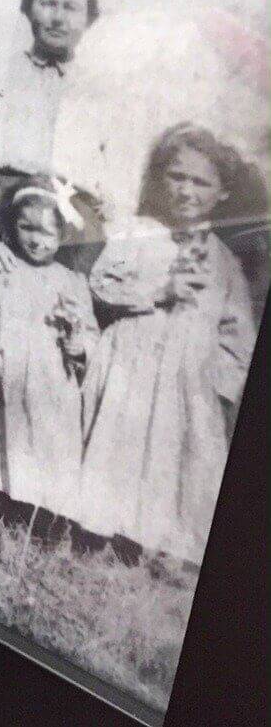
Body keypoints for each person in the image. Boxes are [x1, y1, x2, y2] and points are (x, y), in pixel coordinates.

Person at [79, 123, 261, 566]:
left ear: (220, 192)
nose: (186, 190)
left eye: (201, 181)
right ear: (163, 179)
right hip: (131, 363)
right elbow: (101, 285)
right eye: (178, 177)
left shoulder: (225, 263)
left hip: (186, 381)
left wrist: (217, 389)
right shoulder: (138, 231)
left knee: (170, 459)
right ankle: (96, 536)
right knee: (119, 445)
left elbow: (237, 336)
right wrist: (159, 291)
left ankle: (153, 547)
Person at [0, 182, 97, 534]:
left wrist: (78, 344)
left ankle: (42, 515)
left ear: (62, 235)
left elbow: (88, 332)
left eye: (47, 232)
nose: (36, 240)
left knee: (46, 440)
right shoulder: (2, 268)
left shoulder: (71, 280)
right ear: (12, 227)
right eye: (27, 228)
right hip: (7, 371)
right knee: (2, 434)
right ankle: (1, 500)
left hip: (51, 379)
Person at [0, 0, 105, 276]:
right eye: (47, 3)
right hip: (0, 231)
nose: (57, 17)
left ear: (89, 18)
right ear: (29, 8)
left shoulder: (100, 92)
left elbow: (114, 192)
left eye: (70, 8)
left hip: (73, 239)